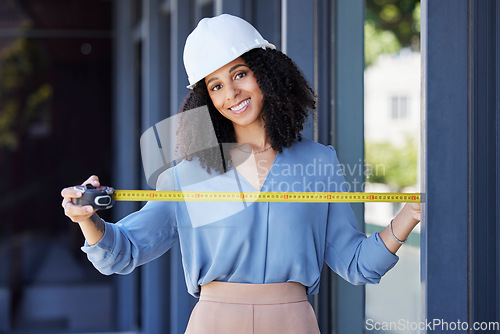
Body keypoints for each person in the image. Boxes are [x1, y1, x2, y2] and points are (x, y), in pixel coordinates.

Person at [61, 14, 421, 334]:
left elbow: (358, 264)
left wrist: (408, 215)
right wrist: (87, 218)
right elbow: (121, 251)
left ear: (267, 74)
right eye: (216, 85)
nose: (231, 93)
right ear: (206, 101)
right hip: (213, 324)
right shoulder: (188, 174)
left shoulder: (319, 162)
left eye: (240, 74)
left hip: (294, 324)